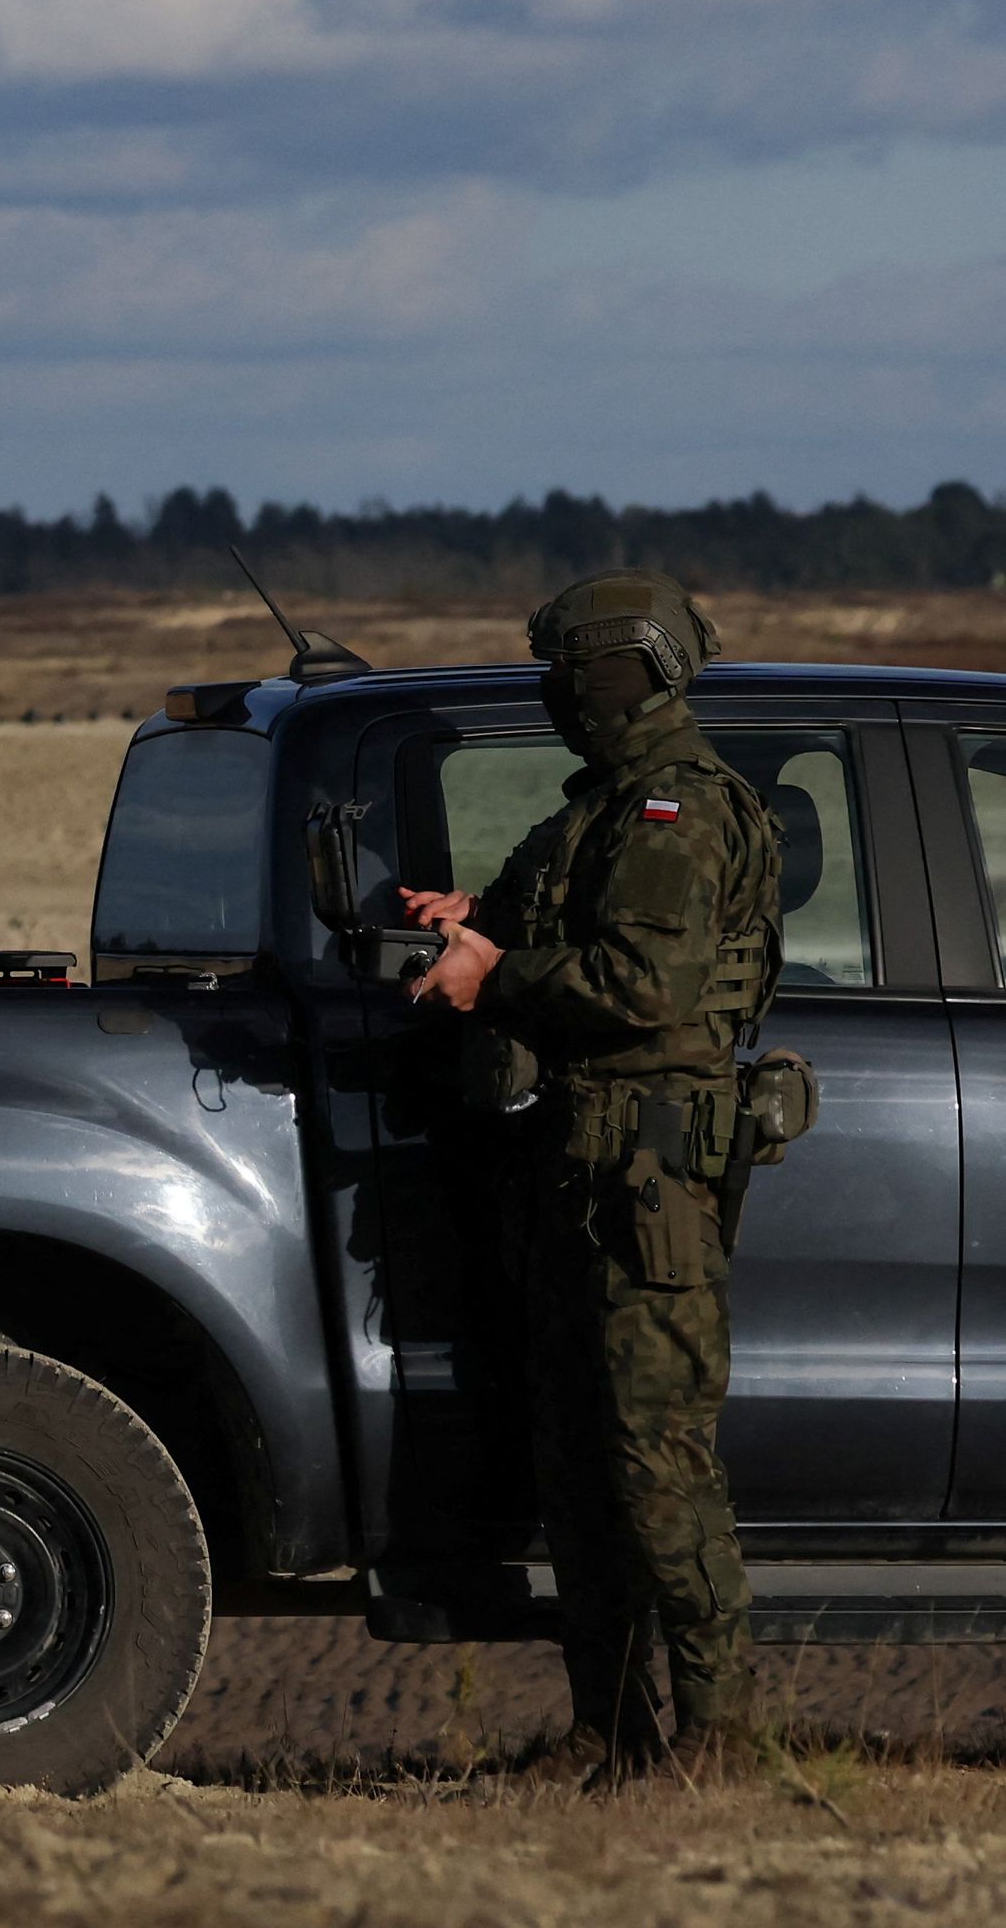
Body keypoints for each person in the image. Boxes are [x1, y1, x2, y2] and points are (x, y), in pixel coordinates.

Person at [399, 570, 783, 1785]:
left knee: (656, 1457)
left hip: (647, 1179)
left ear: (615, 672)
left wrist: (492, 981)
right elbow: (555, 921)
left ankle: (714, 1740)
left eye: (567, 670)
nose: (556, 694)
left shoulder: (677, 806)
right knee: (576, 1461)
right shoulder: (602, 809)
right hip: (578, 1168)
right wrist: (469, 921)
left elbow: (643, 986)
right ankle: (610, 1729)